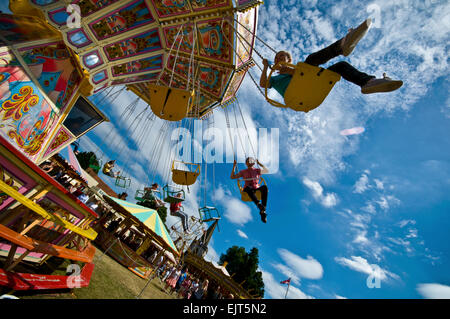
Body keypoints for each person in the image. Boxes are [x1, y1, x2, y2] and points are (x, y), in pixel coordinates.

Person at [260, 19, 403, 103]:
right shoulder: (277, 77)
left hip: (311, 89)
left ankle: (368, 82)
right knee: (309, 61)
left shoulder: (299, 70)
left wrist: (292, 71)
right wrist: (266, 67)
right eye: (276, 57)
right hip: (296, 96)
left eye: (281, 56)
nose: (278, 58)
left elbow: (302, 73)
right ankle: (341, 46)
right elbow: (263, 84)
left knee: (340, 66)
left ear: (289, 59)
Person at [230, 157, 269, 223]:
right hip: (248, 190)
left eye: (251, 161)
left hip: (256, 189)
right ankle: (258, 204)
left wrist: (260, 164)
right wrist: (234, 166)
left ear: (253, 163)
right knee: (248, 188)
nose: (250, 162)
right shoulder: (243, 172)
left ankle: (263, 210)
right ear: (246, 163)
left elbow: (266, 171)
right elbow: (232, 177)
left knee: (265, 187)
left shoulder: (257, 170)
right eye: (248, 161)